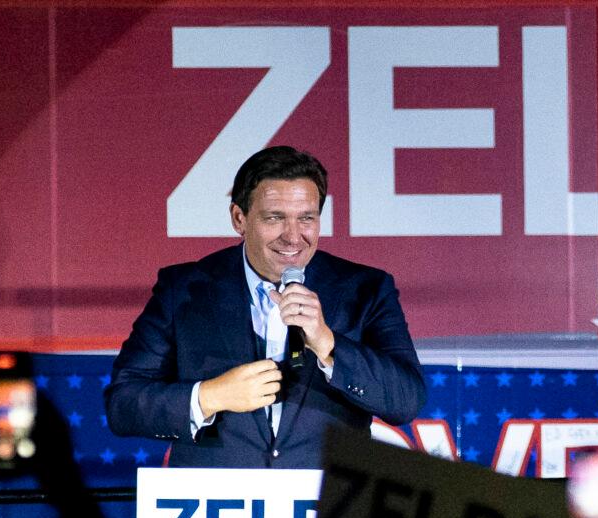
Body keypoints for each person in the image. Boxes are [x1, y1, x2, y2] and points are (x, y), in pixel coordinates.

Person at [106, 146, 426, 468]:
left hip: (326, 506)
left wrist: (328, 344)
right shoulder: (184, 289)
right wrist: (211, 396)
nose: (293, 237)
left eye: (306, 218)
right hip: (219, 509)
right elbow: (123, 404)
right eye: (275, 218)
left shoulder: (366, 289)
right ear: (239, 219)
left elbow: (406, 400)